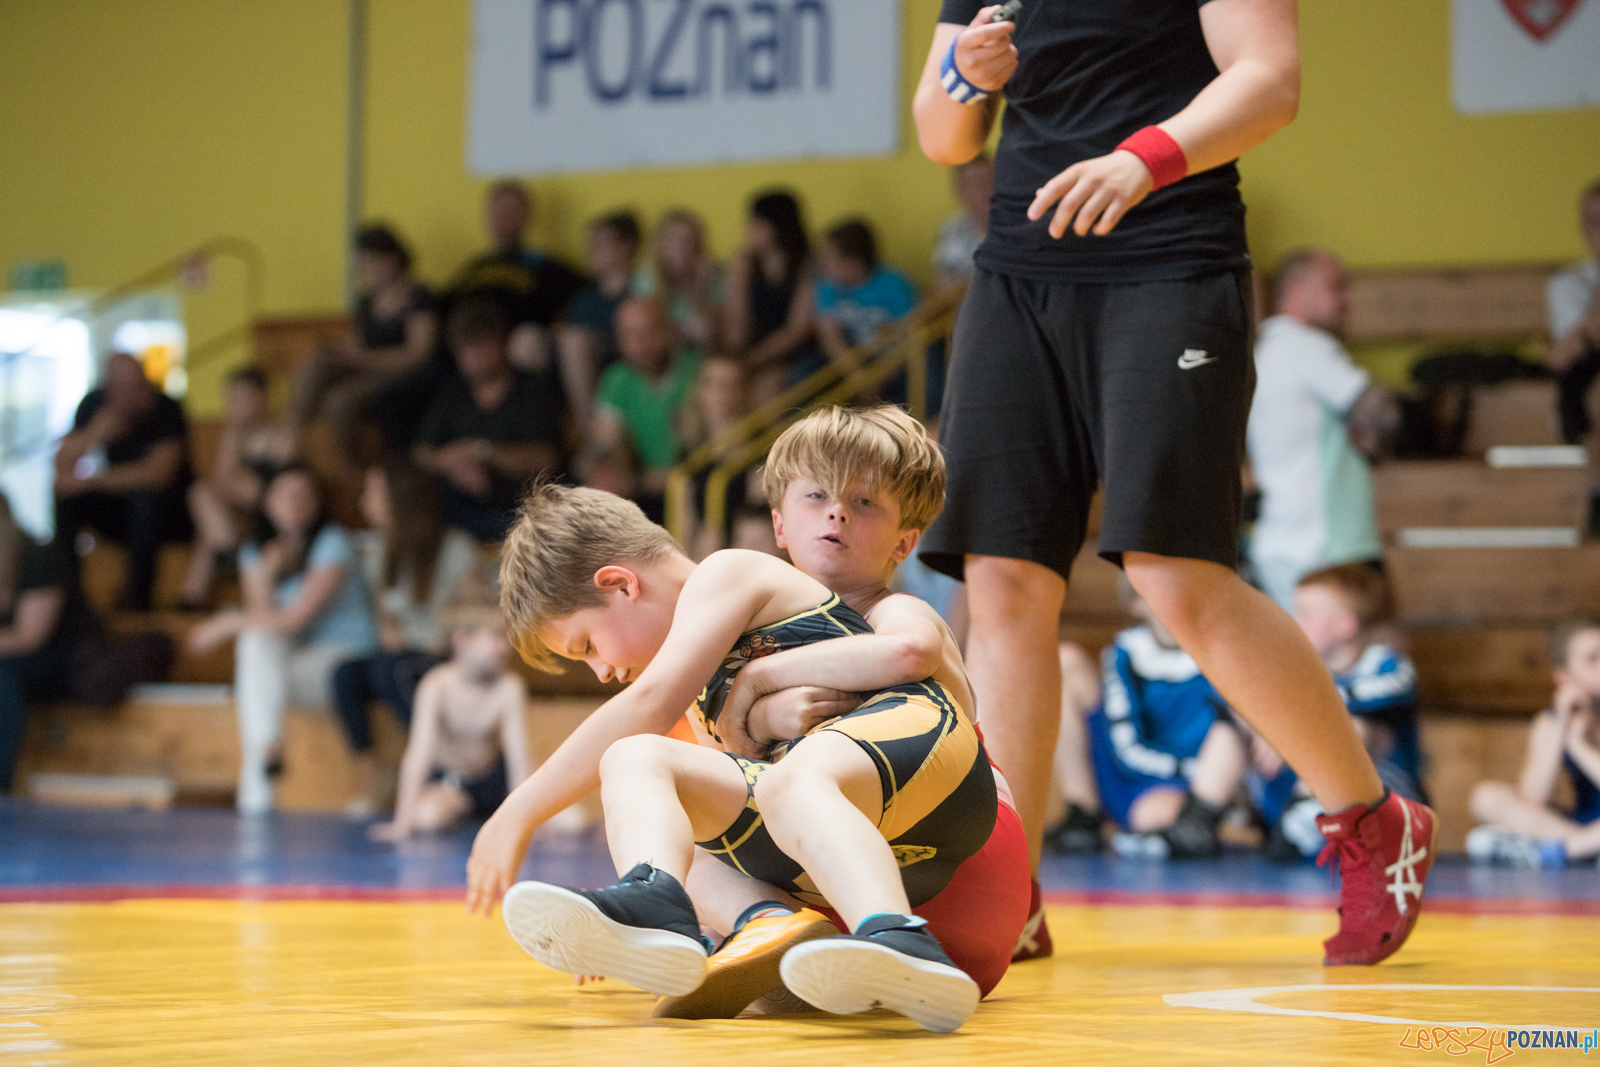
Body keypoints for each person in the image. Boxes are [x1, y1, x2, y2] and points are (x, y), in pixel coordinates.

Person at [912, 0, 1435, 967]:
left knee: (1173, 574)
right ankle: (1008, 887)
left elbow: (1269, 80)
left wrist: (1142, 158)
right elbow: (943, 132)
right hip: (1019, 274)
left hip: (1169, 256)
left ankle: (1371, 817)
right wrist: (966, 80)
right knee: (1002, 581)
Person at [464, 479, 1005, 1033]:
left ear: (620, 585)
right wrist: (612, 940)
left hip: (933, 764)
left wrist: (517, 813)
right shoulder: (702, 703)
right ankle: (664, 915)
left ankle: (900, 938)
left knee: (774, 779)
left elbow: (647, 704)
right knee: (639, 762)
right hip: (868, 827)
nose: (601, 671)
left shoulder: (726, 573)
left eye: (587, 647)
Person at [187, 464, 379, 813]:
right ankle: (266, 754)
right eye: (284, 494)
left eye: (304, 495)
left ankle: (260, 772)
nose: (295, 503)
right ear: (267, 502)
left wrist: (226, 623)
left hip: (342, 664)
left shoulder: (333, 542)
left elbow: (293, 623)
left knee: (251, 652)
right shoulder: (255, 552)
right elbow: (266, 625)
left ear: (318, 503)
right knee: (254, 645)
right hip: (290, 667)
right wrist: (266, 576)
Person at [1053, 578, 1247, 862]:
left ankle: (1202, 816)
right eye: (1159, 591)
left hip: (1197, 783)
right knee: (1065, 660)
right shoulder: (1127, 653)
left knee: (1163, 816)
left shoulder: (1222, 651)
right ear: (1136, 603)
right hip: (1133, 772)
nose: (1173, 601)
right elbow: (1126, 744)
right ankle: (1083, 813)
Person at [332, 460, 487, 816]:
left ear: (399, 499)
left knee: (393, 671)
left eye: (374, 493)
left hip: (442, 653)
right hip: (402, 655)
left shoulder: (455, 548)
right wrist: (394, 638)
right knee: (346, 674)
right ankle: (372, 772)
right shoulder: (378, 551)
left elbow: (471, 610)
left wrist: (441, 639)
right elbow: (386, 621)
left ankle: (440, 768)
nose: (365, 502)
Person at [1248, 249, 1399, 609]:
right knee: (1370, 652)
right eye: (1336, 287)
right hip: (1322, 544)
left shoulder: (1267, 348)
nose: (1348, 300)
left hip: (1286, 539)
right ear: (1296, 290)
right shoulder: (1302, 345)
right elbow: (1384, 413)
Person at [1252, 564, 1426, 863]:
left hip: (1387, 803)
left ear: (1346, 625)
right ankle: (1206, 814)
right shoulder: (1297, 673)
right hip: (1311, 800)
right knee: (1238, 724)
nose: (1295, 622)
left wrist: (1285, 721)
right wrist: (1266, 725)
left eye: (1306, 614)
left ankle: (1305, 812)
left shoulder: (1388, 666)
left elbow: (1369, 697)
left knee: (1354, 729)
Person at [368, 596, 531, 841]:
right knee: (427, 818)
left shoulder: (509, 687)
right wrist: (401, 823)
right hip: (453, 784)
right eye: (497, 637)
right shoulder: (436, 686)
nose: (506, 646)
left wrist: (527, 821)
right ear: (462, 641)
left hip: (494, 781)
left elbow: (519, 759)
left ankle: (489, 814)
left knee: (571, 822)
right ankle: (464, 811)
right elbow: (419, 754)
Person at [414, 297, 565, 543]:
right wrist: (457, 462)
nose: (473, 357)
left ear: (500, 342)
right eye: (464, 349)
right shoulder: (454, 393)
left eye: (480, 346)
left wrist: (483, 452)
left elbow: (547, 459)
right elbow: (421, 454)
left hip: (520, 508)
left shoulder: (532, 389)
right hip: (458, 507)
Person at [285, 224, 437, 468]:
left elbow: (419, 353)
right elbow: (359, 341)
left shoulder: (418, 297)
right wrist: (338, 350)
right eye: (364, 265)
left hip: (403, 373)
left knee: (339, 401)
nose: (369, 271)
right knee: (316, 360)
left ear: (393, 258)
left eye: (374, 262)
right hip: (367, 366)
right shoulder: (367, 300)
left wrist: (365, 358)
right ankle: (291, 432)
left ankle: (350, 467)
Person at [54, 351, 193, 611]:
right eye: (126, 387)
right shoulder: (94, 405)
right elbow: (62, 471)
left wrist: (90, 482)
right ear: (109, 389)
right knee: (66, 499)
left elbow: (157, 475)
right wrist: (93, 434)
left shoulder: (167, 409)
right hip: (119, 512)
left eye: (139, 383)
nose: (136, 393)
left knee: (145, 497)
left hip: (170, 515)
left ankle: (137, 601)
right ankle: (68, 596)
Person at [1466, 617, 1600, 870]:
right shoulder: (1552, 722)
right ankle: (1586, 850)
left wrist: (1580, 748)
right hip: (1582, 826)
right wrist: (1562, 728)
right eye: (1592, 659)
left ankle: (1563, 851)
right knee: (1485, 797)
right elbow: (1532, 799)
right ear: (1563, 677)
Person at [446, 181, 587, 417]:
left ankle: (534, 431)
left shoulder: (546, 266)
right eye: (499, 211)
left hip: (519, 343)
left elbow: (578, 302)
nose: (504, 218)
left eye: (512, 212)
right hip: (471, 341)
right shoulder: (473, 269)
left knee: (526, 341)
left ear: (526, 217)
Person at [0, 495, 99, 793]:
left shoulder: (38, 556)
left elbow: (29, 637)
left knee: (3, 680)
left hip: (65, 657)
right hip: (13, 656)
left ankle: (1, 783)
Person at [583, 297, 702, 524]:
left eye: (650, 332)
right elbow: (607, 446)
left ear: (669, 330)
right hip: (642, 498)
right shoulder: (616, 379)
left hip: (693, 494)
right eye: (631, 336)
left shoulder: (699, 373)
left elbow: (699, 461)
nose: (642, 344)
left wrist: (636, 481)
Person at [180, 366, 288, 609]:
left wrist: (238, 481)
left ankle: (200, 586)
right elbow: (222, 480)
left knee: (204, 506)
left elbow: (271, 486)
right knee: (204, 502)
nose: (236, 406)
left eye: (243, 398)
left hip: (271, 511)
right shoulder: (234, 434)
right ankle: (194, 597)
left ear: (263, 397)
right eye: (232, 400)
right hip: (239, 514)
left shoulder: (281, 432)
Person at [722, 191, 818, 404]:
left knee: (769, 386)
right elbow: (736, 318)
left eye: (758, 225)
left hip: (794, 354)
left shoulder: (807, 264)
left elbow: (798, 329)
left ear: (779, 227)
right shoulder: (744, 263)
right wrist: (737, 359)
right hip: (751, 349)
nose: (750, 231)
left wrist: (755, 359)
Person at [556, 211, 644, 426]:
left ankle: (591, 430)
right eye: (591, 244)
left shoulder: (643, 287)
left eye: (600, 244)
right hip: (586, 357)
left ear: (626, 247)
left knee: (574, 341)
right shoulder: (584, 295)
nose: (591, 250)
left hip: (625, 353)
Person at [675, 356, 755, 560]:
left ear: (745, 391)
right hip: (704, 552)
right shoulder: (690, 455)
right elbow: (685, 523)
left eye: (730, 385)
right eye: (712, 384)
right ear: (699, 391)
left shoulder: (761, 450)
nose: (721, 393)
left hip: (746, 548)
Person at [636, 209, 722, 349]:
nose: (682, 248)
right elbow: (649, 330)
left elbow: (711, 335)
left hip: (702, 354)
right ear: (661, 245)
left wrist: (700, 288)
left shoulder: (714, 277)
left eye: (689, 240)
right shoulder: (647, 278)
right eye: (674, 240)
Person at [932, 154, 995, 291]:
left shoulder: (1018, 229)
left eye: (991, 181)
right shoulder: (953, 229)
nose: (988, 192)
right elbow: (943, 281)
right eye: (979, 185)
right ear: (961, 191)